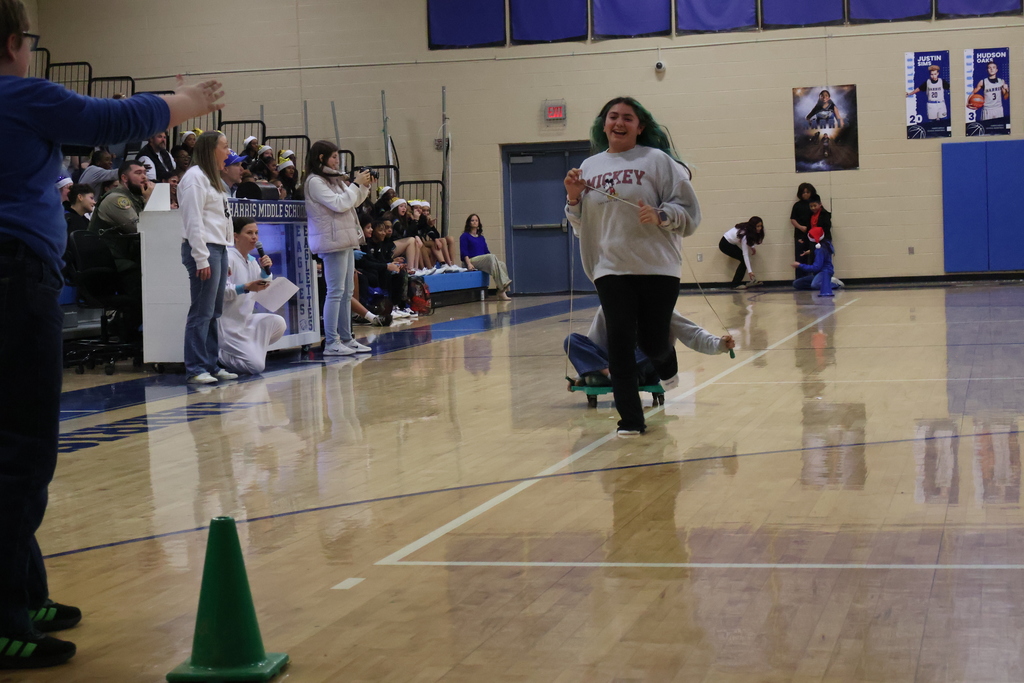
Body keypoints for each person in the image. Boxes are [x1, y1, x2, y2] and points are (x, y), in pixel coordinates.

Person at [0, 0, 224, 668]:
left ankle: (24, 590)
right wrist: (186, 100)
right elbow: (108, 118)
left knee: (11, 444)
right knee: (21, 449)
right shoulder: (19, 95)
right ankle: (4, 613)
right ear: (14, 40)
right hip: (15, 279)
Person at [564, 96, 701, 437]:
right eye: (613, 116)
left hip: (658, 268)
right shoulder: (590, 166)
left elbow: (688, 211)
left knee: (653, 342)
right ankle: (630, 420)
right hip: (610, 268)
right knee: (620, 343)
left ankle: (664, 357)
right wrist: (572, 198)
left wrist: (661, 215)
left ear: (641, 127)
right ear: (604, 123)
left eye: (627, 117)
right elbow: (581, 224)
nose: (619, 123)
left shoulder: (657, 161)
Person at [179, 131, 238, 384]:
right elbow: (193, 221)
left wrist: (226, 252)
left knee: (214, 311)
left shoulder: (211, 178)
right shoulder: (194, 178)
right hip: (203, 249)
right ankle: (195, 369)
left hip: (218, 249)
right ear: (210, 149)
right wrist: (202, 258)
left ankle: (212, 364)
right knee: (201, 312)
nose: (228, 151)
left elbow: (221, 219)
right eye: (225, 146)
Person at [304, 139, 373, 356]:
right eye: (334, 156)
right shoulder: (314, 181)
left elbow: (353, 202)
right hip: (330, 241)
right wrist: (354, 184)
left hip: (344, 239)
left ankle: (346, 338)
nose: (338, 160)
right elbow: (339, 203)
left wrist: (364, 186)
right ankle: (332, 341)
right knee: (335, 292)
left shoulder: (334, 179)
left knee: (346, 292)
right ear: (321, 158)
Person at [566, 307, 734, 387]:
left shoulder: (661, 310)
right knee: (572, 340)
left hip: (646, 365)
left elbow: (694, 334)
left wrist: (719, 344)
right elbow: (595, 343)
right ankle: (609, 374)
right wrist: (582, 372)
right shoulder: (608, 307)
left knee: (657, 347)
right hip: (616, 363)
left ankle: (621, 374)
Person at [88, 159, 153, 342]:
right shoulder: (117, 199)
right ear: (124, 178)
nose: (144, 177)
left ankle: (121, 328)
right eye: (138, 173)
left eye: (144, 172)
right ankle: (126, 333)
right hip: (107, 265)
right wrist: (151, 201)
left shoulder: (135, 197)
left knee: (150, 278)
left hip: (120, 262)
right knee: (147, 287)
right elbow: (142, 229)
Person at [217, 217, 286, 375]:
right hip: (228, 326)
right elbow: (221, 293)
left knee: (278, 323)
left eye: (256, 233)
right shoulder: (228, 257)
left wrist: (265, 271)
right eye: (249, 233)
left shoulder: (253, 261)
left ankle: (248, 350)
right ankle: (219, 356)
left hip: (245, 321)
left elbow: (263, 285)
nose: (255, 237)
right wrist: (246, 287)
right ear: (236, 236)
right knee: (256, 366)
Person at [460, 213, 511, 300]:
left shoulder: (481, 238)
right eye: (472, 220)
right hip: (471, 260)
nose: (474, 222)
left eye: (476, 220)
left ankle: (501, 291)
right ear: (469, 223)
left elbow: (486, 252)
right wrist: (468, 264)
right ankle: (503, 283)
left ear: (479, 223)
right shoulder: (465, 236)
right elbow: (464, 252)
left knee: (502, 264)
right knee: (491, 257)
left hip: (481, 260)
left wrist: (495, 262)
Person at [718, 217, 764, 290]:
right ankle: (735, 284)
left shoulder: (748, 229)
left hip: (730, 243)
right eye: (757, 226)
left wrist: (752, 247)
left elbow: (749, 240)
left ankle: (736, 283)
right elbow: (745, 254)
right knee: (744, 260)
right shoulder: (745, 234)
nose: (759, 228)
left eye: (760, 226)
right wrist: (750, 271)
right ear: (753, 226)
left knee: (744, 261)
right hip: (725, 244)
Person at [792, 226, 837, 294]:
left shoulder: (820, 250)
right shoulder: (825, 245)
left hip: (824, 272)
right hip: (819, 273)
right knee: (797, 283)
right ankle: (822, 282)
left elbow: (816, 267)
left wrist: (800, 265)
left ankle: (833, 284)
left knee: (815, 285)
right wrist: (811, 251)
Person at [789, 182, 816, 263]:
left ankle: (814, 275)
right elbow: (792, 219)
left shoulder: (814, 205)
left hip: (813, 235)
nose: (805, 194)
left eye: (807, 192)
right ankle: (801, 275)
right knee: (800, 257)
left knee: (813, 257)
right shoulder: (797, 205)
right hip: (800, 235)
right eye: (803, 192)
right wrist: (800, 227)